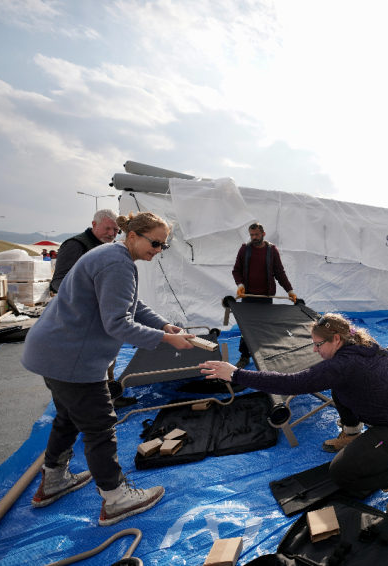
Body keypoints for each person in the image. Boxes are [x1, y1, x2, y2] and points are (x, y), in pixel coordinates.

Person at [21, 211, 195, 526]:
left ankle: (54, 480)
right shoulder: (118, 264)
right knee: (100, 425)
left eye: (163, 246)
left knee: (68, 417)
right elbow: (118, 324)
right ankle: (116, 498)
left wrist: (165, 325)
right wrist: (167, 340)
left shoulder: (113, 256)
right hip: (71, 359)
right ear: (132, 236)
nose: (157, 250)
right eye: (155, 243)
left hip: (52, 353)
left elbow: (134, 305)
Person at [199, 313, 388, 517]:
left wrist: (237, 374)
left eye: (318, 344)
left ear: (337, 339)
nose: (314, 349)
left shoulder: (344, 365)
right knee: (340, 389)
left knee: (341, 473)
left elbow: (293, 383)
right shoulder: (364, 345)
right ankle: (352, 433)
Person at [232, 222, 298, 368]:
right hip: (248, 297)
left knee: (264, 328)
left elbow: (279, 273)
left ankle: (264, 356)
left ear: (263, 234)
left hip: (266, 297)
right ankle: (245, 356)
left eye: (256, 234)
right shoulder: (244, 249)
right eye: (251, 235)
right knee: (246, 329)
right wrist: (240, 285)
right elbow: (236, 270)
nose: (254, 237)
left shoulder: (272, 251)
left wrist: (290, 291)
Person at [50, 210, 120, 294]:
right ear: (94, 225)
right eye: (107, 228)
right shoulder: (75, 245)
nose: (111, 233)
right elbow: (59, 280)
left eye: (116, 230)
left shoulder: (115, 248)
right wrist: (83, 297)